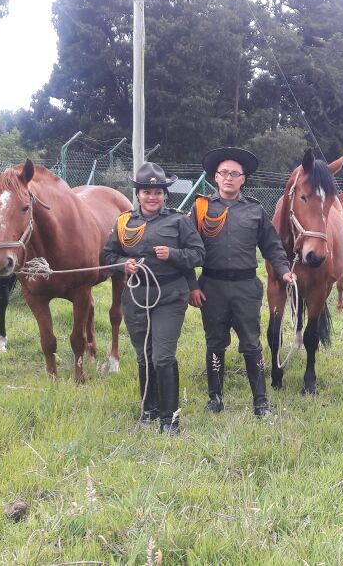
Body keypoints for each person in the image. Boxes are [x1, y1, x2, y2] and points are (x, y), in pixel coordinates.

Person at [187, 147, 295, 416]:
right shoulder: (201, 208)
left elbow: (273, 247)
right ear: (215, 177)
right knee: (215, 343)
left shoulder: (255, 210)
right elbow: (186, 249)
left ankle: (260, 402)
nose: (229, 178)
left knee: (251, 344)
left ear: (243, 179)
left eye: (235, 174)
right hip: (211, 286)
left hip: (246, 288)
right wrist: (192, 285)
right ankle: (215, 399)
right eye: (224, 173)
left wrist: (284, 271)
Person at [101, 162, 205, 435]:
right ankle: (149, 408)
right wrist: (123, 265)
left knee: (162, 356)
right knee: (143, 355)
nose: (152, 197)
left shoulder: (179, 220)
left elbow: (198, 254)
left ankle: (170, 419)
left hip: (170, 295)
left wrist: (172, 254)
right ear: (138, 194)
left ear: (164, 194)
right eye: (146, 191)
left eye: (157, 191)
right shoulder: (124, 222)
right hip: (135, 295)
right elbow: (107, 256)